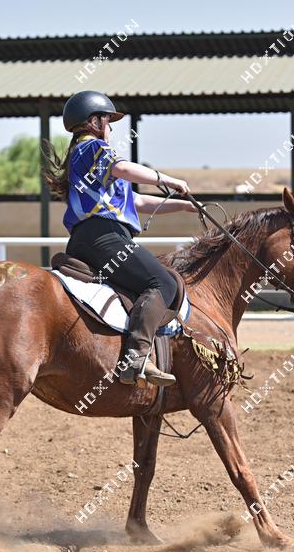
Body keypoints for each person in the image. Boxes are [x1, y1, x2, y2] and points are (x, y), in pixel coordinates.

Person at [43, 90, 198, 388]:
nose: (111, 129)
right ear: (95, 121)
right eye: (108, 121)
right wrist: (168, 179)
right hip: (106, 238)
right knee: (163, 283)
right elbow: (124, 168)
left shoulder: (89, 161)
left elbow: (137, 202)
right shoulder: (93, 146)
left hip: (85, 240)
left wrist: (185, 206)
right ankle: (136, 358)